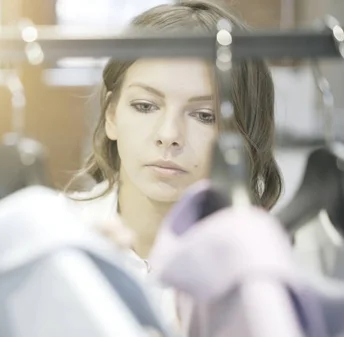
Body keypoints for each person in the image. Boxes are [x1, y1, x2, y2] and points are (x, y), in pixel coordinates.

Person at [66, 1, 283, 263]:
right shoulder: (57, 235)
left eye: (204, 116)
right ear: (112, 115)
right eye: (145, 106)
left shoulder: (262, 260)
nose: (169, 135)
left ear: (242, 134)